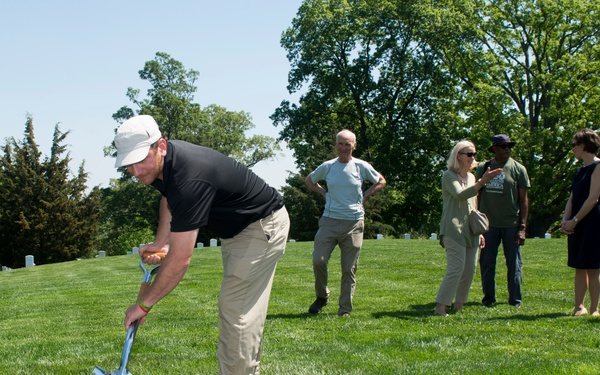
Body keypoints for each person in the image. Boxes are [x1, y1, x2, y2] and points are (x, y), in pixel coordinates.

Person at [115, 115, 290, 375]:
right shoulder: (165, 166)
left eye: (141, 160)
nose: (136, 172)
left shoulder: (189, 178)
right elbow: (168, 200)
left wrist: (143, 305)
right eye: (129, 164)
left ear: (161, 146)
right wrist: (161, 242)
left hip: (260, 228)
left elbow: (180, 261)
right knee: (236, 310)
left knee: (237, 315)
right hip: (238, 233)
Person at [305, 129, 386, 317]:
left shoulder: (361, 166)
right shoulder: (328, 166)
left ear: (354, 146)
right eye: (340, 143)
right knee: (319, 260)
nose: (343, 147)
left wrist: (366, 195)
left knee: (348, 269)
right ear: (335, 145)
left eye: (347, 144)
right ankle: (322, 297)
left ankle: (344, 309)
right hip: (329, 222)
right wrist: (323, 193)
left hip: (354, 223)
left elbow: (380, 181)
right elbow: (309, 180)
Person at [434, 141, 502, 316]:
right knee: (456, 268)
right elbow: (460, 195)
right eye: (469, 154)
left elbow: (473, 203)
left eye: (474, 154)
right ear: (458, 156)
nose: (473, 157)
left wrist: (479, 231)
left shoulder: (471, 178)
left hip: (471, 230)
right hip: (453, 228)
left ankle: (459, 305)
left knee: (470, 269)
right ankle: (440, 307)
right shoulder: (449, 176)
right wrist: (482, 182)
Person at [476, 134, 530, 308]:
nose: (507, 149)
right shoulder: (484, 167)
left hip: (511, 225)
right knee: (486, 263)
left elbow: (523, 200)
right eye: (502, 146)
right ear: (494, 149)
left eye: (509, 146)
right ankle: (488, 298)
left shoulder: (518, 169)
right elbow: (478, 194)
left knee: (514, 264)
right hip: (488, 226)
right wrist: (476, 221)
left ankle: (515, 301)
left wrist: (522, 227)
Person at [560, 129, 600, 316]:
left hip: (592, 221)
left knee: (592, 266)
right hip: (576, 222)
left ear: (584, 146)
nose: (572, 149)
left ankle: (593, 308)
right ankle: (579, 307)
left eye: (574, 145)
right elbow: (572, 197)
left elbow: (593, 198)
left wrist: (575, 221)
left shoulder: (598, 167)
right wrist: (565, 220)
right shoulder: (579, 170)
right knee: (579, 265)